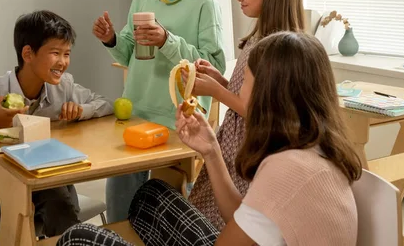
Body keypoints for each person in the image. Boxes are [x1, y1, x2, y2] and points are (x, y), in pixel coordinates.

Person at [57, 32, 362, 246]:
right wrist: (211, 151)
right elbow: (245, 217)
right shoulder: (318, 146)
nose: (239, 92)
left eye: (246, 85)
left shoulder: (288, 169)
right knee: (151, 195)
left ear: (269, 97)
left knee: (78, 238)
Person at [0, 10, 113, 245]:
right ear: (28, 53)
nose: (63, 62)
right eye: (55, 53)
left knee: (62, 215)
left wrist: (80, 110)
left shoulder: (63, 86)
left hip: (48, 182)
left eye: (67, 54)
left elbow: (106, 103)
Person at [93, 0, 226, 223]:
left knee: (165, 213)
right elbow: (128, 53)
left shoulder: (205, 3)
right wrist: (111, 38)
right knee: (120, 209)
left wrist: (167, 40)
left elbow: (213, 66)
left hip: (178, 119)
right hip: (137, 111)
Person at [188, 0, 306, 229]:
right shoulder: (258, 40)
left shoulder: (275, 49)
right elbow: (250, 95)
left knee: (224, 219)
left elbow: (254, 110)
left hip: (249, 148)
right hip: (235, 142)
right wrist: (220, 80)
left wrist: (214, 91)